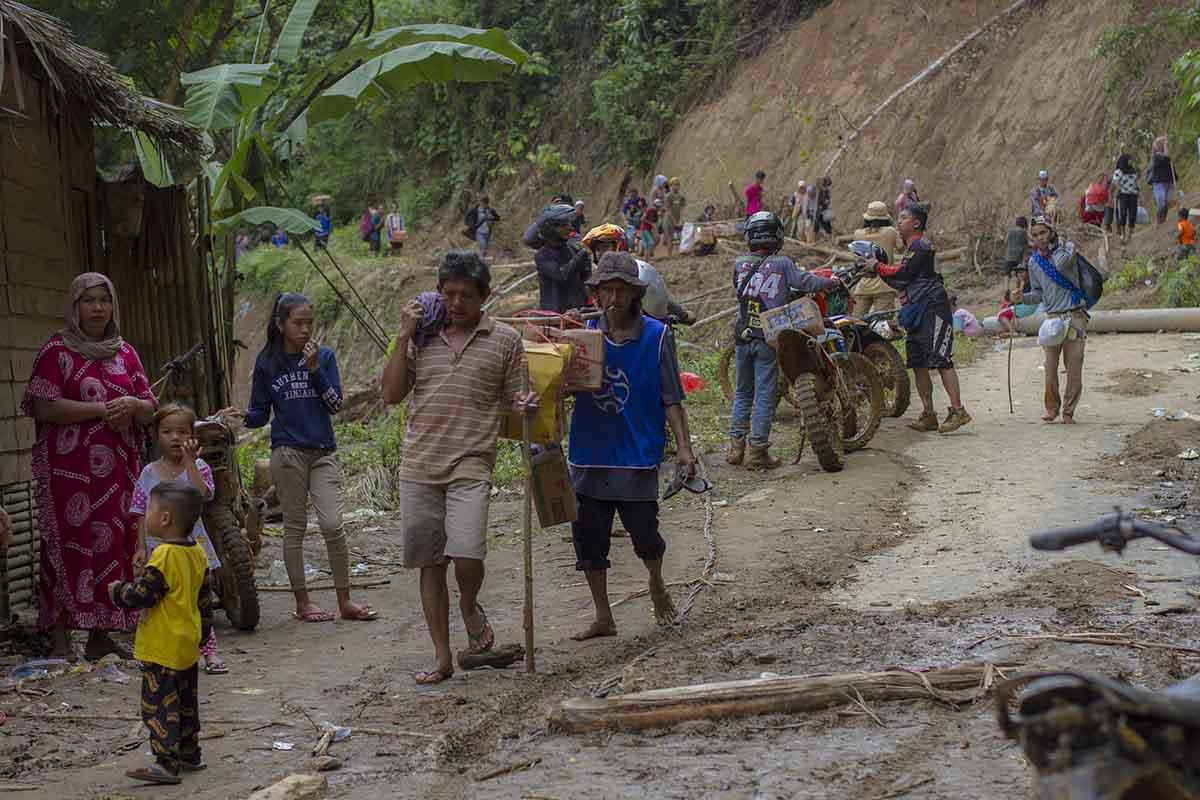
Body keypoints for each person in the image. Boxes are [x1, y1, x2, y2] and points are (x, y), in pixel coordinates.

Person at [380, 252, 537, 683]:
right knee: (431, 564)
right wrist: (403, 335)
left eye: (466, 295)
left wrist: (524, 403)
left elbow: (515, 397)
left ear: (484, 296)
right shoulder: (422, 335)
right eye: (448, 293)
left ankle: (469, 603)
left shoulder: (505, 340)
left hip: (472, 461)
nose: (455, 303)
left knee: (467, 553)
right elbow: (390, 394)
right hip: (419, 465)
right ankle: (442, 656)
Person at [22, 273, 156, 660]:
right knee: (66, 545)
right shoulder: (57, 351)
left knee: (112, 545)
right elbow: (43, 405)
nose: (98, 308)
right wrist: (101, 409)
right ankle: (59, 635)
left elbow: (150, 406)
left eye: (104, 300)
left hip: (117, 471)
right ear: (74, 306)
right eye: (88, 300)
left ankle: (100, 634)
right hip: (69, 472)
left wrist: (132, 405)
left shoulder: (125, 353)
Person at [219, 293, 376, 623]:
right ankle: (303, 602)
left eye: (309, 323)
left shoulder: (325, 357)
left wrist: (315, 369)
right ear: (281, 325)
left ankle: (345, 600)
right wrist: (242, 416)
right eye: (298, 323)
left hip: (323, 452)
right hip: (287, 452)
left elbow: (335, 405)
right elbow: (261, 414)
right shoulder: (267, 362)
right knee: (295, 527)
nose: (305, 330)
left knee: (333, 524)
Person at [565, 252, 697, 640]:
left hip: (637, 454)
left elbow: (672, 396)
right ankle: (603, 615)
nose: (613, 299)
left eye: (621, 290)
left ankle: (656, 581)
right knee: (589, 538)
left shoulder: (656, 336)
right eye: (606, 291)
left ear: (635, 294)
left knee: (646, 537)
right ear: (597, 294)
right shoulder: (585, 333)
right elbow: (565, 387)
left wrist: (685, 450)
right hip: (590, 451)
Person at [108, 481, 212, 785]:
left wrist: (118, 591)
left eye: (150, 509)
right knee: (186, 703)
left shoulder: (164, 555)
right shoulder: (197, 553)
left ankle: (166, 762)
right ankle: (190, 752)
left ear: (164, 518)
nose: (147, 516)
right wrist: (203, 636)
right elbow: (204, 600)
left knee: (158, 706)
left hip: (163, 647)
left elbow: (144, 595)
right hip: (187, 645)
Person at [729, 212, 839, 468]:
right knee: (765, 393)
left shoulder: (739, 263)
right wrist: (830, 282)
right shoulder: (783, 263)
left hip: (742, 334)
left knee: (743, 392)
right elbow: (805, 282)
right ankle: (758, 451)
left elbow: (740, 289)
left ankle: (735, 448)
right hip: (768, 336)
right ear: (777, 236)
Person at [130, 404, 227, 675]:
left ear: (192, 436)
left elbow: (202, 495)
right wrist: (140, 547)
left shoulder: (199, 467)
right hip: (157, 549)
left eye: (182, 431)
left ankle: (209, 652)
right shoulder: (149, 473)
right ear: (156, 435)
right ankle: (155, 654)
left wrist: (190, 463)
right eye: (167, 431)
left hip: (192, 548)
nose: (175, 437)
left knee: (197, 601)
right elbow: (139, 511)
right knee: (156, 601)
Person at [865, 202, 971, 433]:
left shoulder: (921, 245)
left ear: (916, 223)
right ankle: (928, 413)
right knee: (917, 363)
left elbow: (903, 274)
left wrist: (878, 267)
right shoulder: (911, 248)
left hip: (933, 308)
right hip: (915, 311)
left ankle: (958, 410)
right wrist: (877, 269)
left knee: (942, 359)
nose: (899, 221)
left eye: (903, 217)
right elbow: (900, 281)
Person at [1010, 215, 1088, 424]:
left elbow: (1061, 266)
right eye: (1035, 235)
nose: (1039, 238)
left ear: (1051, 231)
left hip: (1075, 316)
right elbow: (1038, 294)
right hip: (1053, 319)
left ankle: (1069, 411)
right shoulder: (1034, 262)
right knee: (1050, 367)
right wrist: (1021, 298)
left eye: (1043, 232)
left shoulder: (1067, 250)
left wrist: (1058, 244)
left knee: (1074, 367)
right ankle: (1051, 408)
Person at [580, 224, 691, 322]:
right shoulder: (596, 276)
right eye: (598, 249)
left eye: (605, 247)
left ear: (619, 246)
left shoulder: (638, 271)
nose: (601, 253)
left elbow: (657, 296)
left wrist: (682, 314)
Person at [534, 204, 592, 313]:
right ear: (550, 229)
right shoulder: (542, 255)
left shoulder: (573, 250)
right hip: (553, 316)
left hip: (579, 313)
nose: (570, 228)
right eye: (564, 225)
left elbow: (586, 279)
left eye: (569, 224)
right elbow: (561, 275)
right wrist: (581, 255)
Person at [851, 201, 905, 316]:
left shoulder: (858, 234)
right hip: (885, 286)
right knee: (883, 323)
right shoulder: (890, 232)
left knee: (857, 321)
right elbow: (901, 248)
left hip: (863, 286)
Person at [1111, 154, 1140, 243]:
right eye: (1129, 160)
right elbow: (1114, 182)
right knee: (1123, 214)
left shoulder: (1133, 170)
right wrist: (1116, 190)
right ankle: (1123, 234)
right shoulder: (1118, 171)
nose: (1130, 162)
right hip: (1123, 195)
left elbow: (1136, 182)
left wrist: (1139, 192)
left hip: (1133, 195)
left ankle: (1130, 235)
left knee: (1132, 215)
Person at [464, 194, 500, 261]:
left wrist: (492, 218)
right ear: (480, 202)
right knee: (483, 248)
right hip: (479, 232)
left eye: (486, 203)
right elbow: (467, 217)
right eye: (483, 202)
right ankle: (481, 262)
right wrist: (470, 225)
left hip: (489, 232)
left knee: (486, 249)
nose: (484, 204)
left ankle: (480, 261)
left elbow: (497, 218)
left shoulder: (490, 210)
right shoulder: (475, 210)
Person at [1149, 136, 1176, 225]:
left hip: (1169, 181)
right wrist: (1166, 147)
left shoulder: (1167, 154)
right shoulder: (1156, 156)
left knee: (1168, 201)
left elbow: (1170, 165)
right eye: (1163, 143)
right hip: (1159, 183)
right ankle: (1159, 219)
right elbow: (1165, 159)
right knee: (1161, 202)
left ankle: (1163, 218)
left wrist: (1175, 178)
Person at [664, 177, 686, 257]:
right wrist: (674, 222)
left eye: (677, 185)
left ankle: (679, 254)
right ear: (671, 186)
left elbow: (682, 209)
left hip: (678, 219)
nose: (676, 186)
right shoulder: (668, 196)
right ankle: (669, 255)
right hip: (669, 220)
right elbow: (668, 210)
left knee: (680, 237)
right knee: (670, 238)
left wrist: (681, 220)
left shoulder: (681, 197)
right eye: (674, 185)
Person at [813, 175, 834, 240]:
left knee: (825, 224)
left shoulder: (825, 191)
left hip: (823, 210)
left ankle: (828, 237)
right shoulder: (820, 190)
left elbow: (827, 200)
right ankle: (815, 239)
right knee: (817, 225)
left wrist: (826, 202)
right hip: (820, 210)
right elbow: (819, 201)